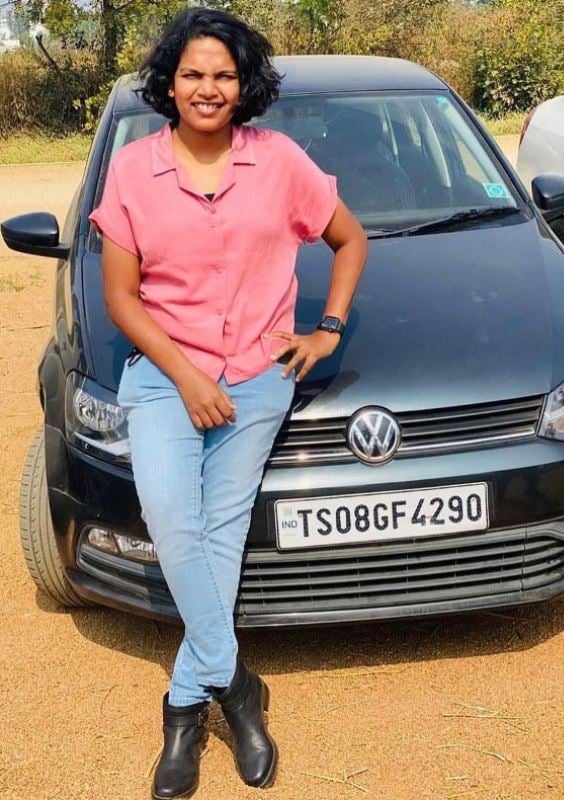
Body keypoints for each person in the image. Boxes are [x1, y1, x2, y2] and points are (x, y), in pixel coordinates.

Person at [88, 6, 367, 799]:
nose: (207, 88)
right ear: (168, 83)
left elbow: (350, 239)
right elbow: (121, 297)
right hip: (166, 377)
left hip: (255, 378)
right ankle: (237, 687)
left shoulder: (277, 161)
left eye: (223, 74)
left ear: (242, 86)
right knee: (174, 522)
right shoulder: (135, 169)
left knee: (219, 534)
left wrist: (326, 331)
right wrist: (185, 376)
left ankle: (183, 707)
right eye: (192, 73)